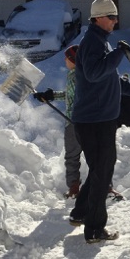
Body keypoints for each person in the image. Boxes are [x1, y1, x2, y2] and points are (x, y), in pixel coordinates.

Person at [68, 0, 129, 244]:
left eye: (116, 17)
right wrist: (118, 55)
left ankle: (80, 212)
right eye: (112, 17)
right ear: (99, 18)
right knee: (103, 171)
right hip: (95, 120)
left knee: (100, 168)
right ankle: (94, 229)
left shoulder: (98, 41)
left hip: (98, 117)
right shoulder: (93, 42)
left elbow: (101, 74)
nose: (115, 21)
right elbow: (94, 73)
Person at [33, 45, 81, 198]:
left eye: (67, 58)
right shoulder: (82, 74)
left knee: (72, 156)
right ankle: (102, 186)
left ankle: (74, 188)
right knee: (95, 156)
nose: (65, 60)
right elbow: (71, 95)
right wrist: (52, 95)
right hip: (88, 122)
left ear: (73, 60)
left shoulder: (76, 76)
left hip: (74, 123)